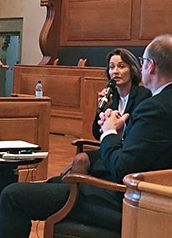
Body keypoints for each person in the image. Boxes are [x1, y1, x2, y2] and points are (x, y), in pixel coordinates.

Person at [0, 34, 172, 238]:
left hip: (127, 203)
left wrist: (109, 132)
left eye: (142, 60)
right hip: (152, 197)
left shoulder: (155, 108)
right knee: (57, 182)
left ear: (150, 66)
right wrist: (116, 136)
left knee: (13, 196)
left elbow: (122, 169)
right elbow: (142, 153)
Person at [62, 47, 151, 175]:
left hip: (128, 153)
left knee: (81, 163)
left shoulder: (143, 96)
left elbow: (139, 130)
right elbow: (96, 134)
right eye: (111, 67)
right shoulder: (110, 96)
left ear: (132, 70)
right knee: (80, 159)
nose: (115, 71)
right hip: (110, 149)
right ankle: (73, 192)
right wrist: (103, 108)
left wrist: (120, 126)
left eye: (121, 66)